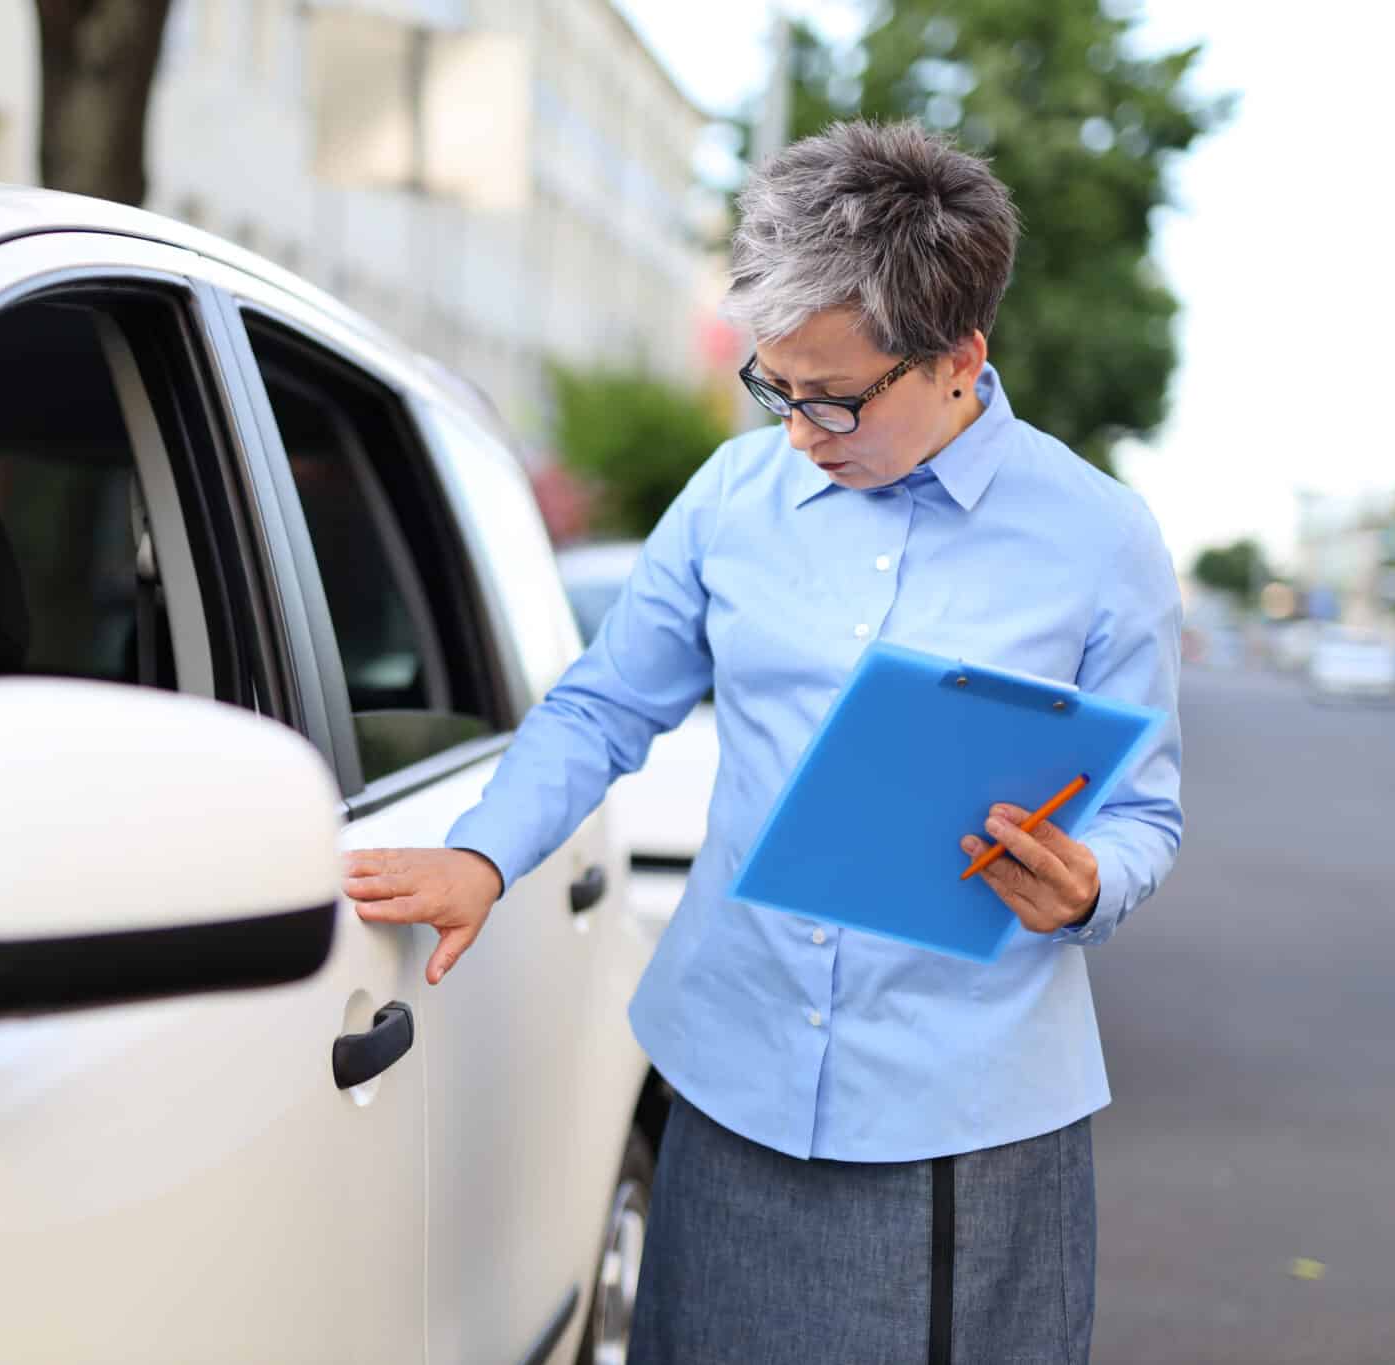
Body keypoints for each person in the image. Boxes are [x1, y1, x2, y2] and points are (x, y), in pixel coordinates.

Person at [343, 120, 1183, 1363]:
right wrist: (482, 856)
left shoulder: (1097, 538)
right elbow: (601, 707)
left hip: (959, 1124)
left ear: (958, 356)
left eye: (834, 399)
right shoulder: (730, 501)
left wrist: (1086, 886)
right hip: (727, 1089)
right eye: (774, 387)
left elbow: (1142, 817)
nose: (798, 430)